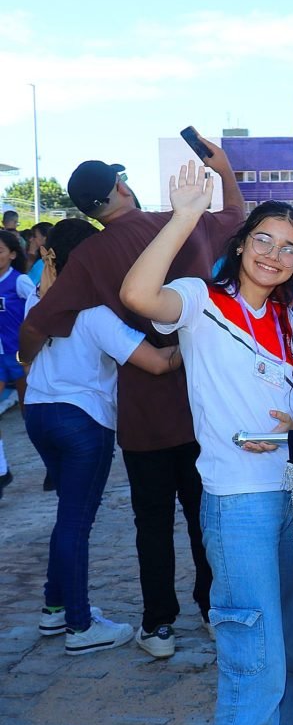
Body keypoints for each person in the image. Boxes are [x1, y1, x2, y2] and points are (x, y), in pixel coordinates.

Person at [121, 162, 293, 725]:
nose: (274, 254)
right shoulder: (199, 302)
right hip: (238, 504)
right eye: (263, 240)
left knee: (290, 650)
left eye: (290, 248)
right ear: (241, 244)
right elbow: (136, 294)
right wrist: (184, 214)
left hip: (291, 496)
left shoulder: (290, 322)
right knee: (254, 661)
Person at [21, 143, 243, 657]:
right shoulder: (179, 223)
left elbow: (38, 322)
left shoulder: (90, 256)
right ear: (122, 186)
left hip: (141, 411)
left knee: (152, 523)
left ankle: (158, 625)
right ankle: (213, 612)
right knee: (205, 516)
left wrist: (27, 359)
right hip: (201, 401)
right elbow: (236, 217)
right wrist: (224, 170)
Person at [26, 219, 183, 654]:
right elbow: (157, 363)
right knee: (76, 523)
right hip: (82, 420)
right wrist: (196, 339)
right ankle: (79, 626)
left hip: (38, 413)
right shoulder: (96, 314)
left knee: (67, 517)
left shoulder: (40, 301)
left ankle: (55, 608)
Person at [0, 229, 34, 497]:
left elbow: (38, 309)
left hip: (19, 355)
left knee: (29, 413)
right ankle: (2, 470)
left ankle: (51, 464)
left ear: (12, 254)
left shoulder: (20, 281)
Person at [26, 221, 52, 287]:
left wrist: (31, 258)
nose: (30, 240)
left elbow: (26, 285)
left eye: (34, 236)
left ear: (45, 239)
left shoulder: (43, 263)